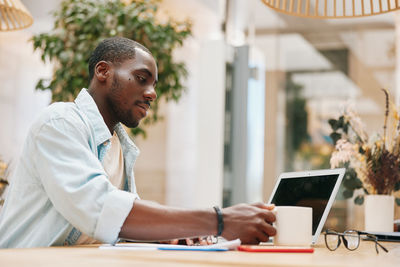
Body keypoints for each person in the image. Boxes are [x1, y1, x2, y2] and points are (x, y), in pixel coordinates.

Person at [0, 37, 276, 248]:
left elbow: (119, 227)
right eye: (142, 79)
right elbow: (104, 209)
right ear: (103, 71)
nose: (152, 94)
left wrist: (177, 237)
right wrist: (220, 220)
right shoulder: (59, 122)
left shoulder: (120, 145)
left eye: (154, 85)